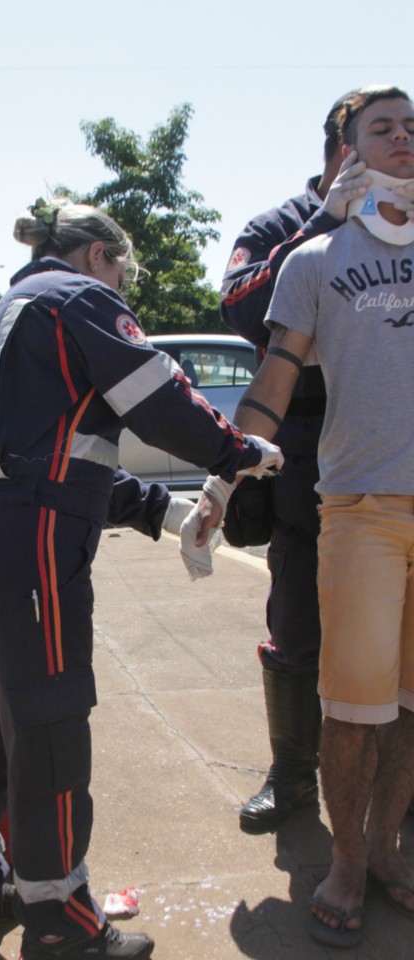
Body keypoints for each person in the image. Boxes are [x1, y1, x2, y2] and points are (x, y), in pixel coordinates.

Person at [0, 197, 282, 960]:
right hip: (24, 549)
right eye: (124, 268)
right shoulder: (77, 300)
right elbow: (160, 400)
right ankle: (58, 922)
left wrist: (159, 509)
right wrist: (237, 453)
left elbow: (53, 457)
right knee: (47, 724)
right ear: (96, 256)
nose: (126, 288)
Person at [195, 85, 414, 948]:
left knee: (406, 699)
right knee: (326, 672)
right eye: (381, 128)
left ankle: (388, 849)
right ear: (341, 145)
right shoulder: (301, 240)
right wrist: (221, 482)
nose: (402, 139)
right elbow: (258, 341)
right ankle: (332, 840)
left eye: (412, 128)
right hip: (333, 480)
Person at [220, 88, 374, 833]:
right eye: (383, 136)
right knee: (298, 629)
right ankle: (290, 782)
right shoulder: (280, 225)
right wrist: (325, 222)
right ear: (341, 151)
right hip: (305, 462)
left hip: (392, 457)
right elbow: (244, 308)